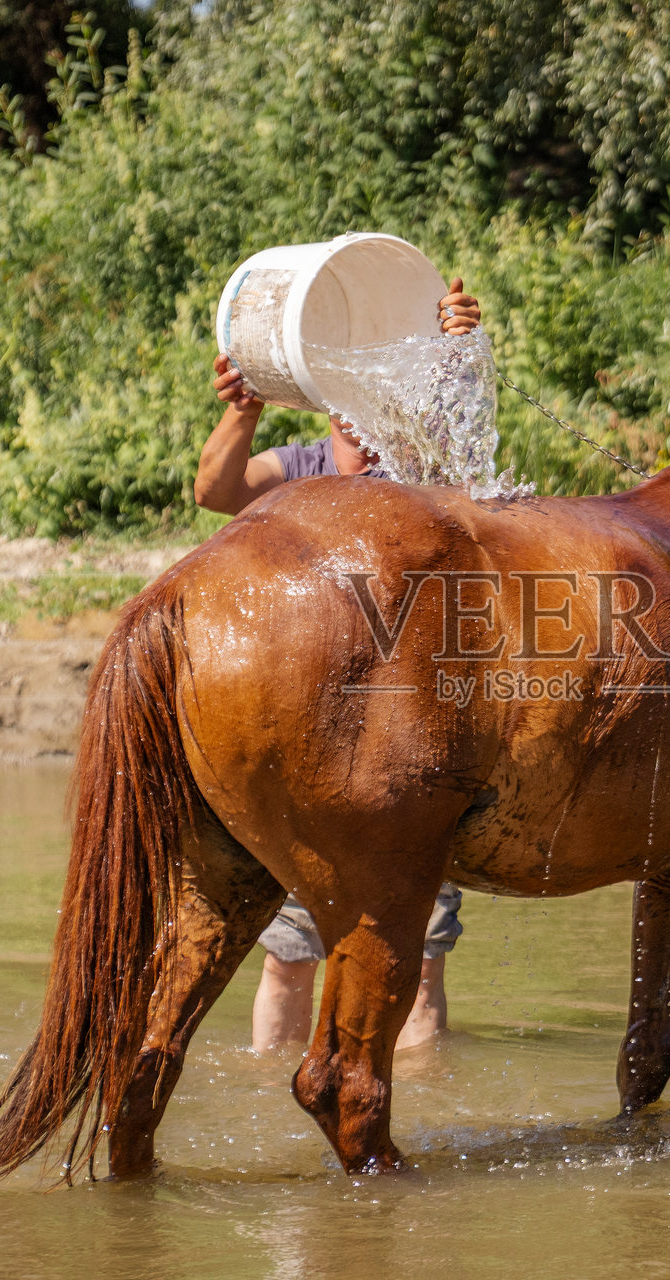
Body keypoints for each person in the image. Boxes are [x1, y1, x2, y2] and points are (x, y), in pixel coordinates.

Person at [194, 276, 482, 1054]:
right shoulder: (300, 468)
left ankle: (419, 1105)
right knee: (290, 956)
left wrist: (457, 359)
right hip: (318, 744)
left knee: (420, 961)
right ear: (323, 397)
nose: (357, 407)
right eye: (342, 389)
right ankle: (269, 1090)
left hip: (417, 745)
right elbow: (215, 490)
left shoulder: (421, 469)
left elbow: (471, 474)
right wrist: (242, 407)